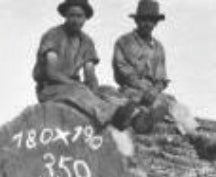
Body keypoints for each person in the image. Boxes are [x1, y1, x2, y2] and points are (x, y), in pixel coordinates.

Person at [112, 0, 216, 159]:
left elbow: (161, 78)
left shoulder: (158, 48)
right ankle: (142, 120)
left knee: (177, 106)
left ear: (156, 23)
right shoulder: (124, 42)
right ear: (137, 20)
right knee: (134, 107)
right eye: (143, 19)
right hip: (131, 89)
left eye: (151, 20)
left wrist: (155, 90)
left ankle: (201, 142)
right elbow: (123, 71)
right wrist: (145, 90)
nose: (147, 23)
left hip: (153, 92)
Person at [33, 0, 143, 131]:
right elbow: (52, 72)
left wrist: (93, 87)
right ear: (65, 16)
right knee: (80, 91)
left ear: (85, 18)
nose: (75, 20)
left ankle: (136, 115)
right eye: (72, 15)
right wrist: (76, 85)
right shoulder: (53, 36)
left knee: (106, 90)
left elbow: (89, 73)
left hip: (72, 85)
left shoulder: (86, 41)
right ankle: (114, 116)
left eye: (79, 16)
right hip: (51, 88)